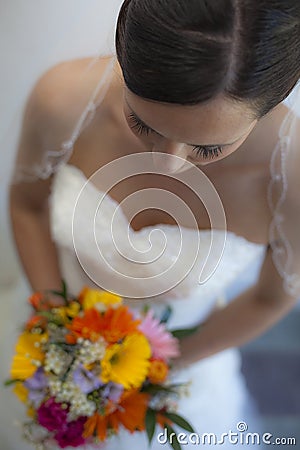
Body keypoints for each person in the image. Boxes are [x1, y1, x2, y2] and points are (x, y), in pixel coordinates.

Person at [2, 0, 300, 448]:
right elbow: (27, 205)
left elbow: (269, 299)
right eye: (141, 121)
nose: (168, 164)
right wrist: (59, 331)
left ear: (270, 106)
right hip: (51, 318)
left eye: (208, 147)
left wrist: (157, 370)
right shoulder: (63, 100)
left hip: (183, 361)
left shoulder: (290, 177)